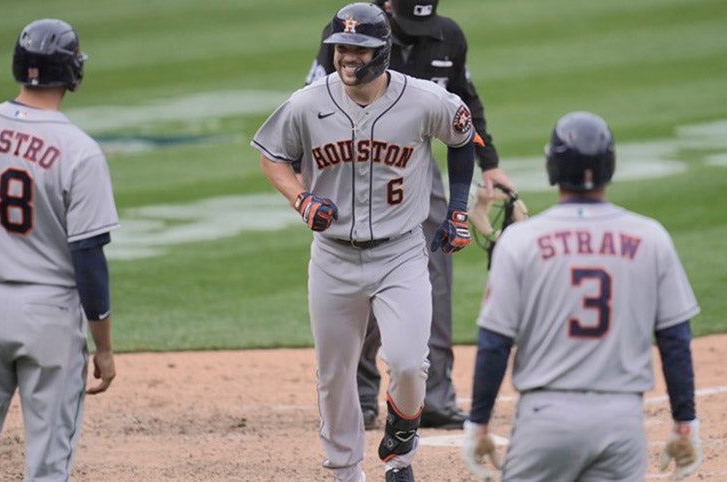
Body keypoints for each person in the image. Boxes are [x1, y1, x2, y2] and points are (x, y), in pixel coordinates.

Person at [253, 3, 481, 480]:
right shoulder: (307, 103)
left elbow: (463, 139)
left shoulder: (423, 101)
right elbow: (273, 156)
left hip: (400, 253)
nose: (347, 58)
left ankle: (400, 454)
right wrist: (301, 199)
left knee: (408, 364)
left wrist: (458, 210)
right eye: (341, 49)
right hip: (333, 258)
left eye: (359, 50)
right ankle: (344, 470)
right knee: (335, 375)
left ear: (383, 53)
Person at [462, 112, 704, 481]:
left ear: (552, 168)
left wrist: (478, 424)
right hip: (621, 420)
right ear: (609, 165)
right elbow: (674, 339)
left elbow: (495, 342)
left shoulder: (521, 240)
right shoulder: (650, 237)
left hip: (545, 420)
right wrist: (685, 422)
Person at [305, 0, 513, 430]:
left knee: (432, 278)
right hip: (354, 165)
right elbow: (313, 101)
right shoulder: (353, 32)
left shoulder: (448, 36)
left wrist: (488, 163)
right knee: (358, 270)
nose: (418, 32)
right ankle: (362, 396)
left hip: (416, 165)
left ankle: (433, 396)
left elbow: (465, 103)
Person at [0, 18, 119, 481]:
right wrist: (104, 345)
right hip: (47, 315)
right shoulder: (78, 150)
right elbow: (88, 256)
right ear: (72, 72)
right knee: (47, 464)